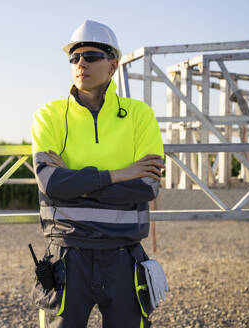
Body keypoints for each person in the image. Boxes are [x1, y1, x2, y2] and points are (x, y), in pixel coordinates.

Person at [30, 20, 165, 328]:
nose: (81, 63)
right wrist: (119, 174)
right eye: (74, 57)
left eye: (90, 56)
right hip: (66, 256)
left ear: (113, 64)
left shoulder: (139, 115)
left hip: (123, 257)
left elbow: (146, 187)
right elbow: (51, 183)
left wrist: (75, 182)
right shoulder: (48, 115)